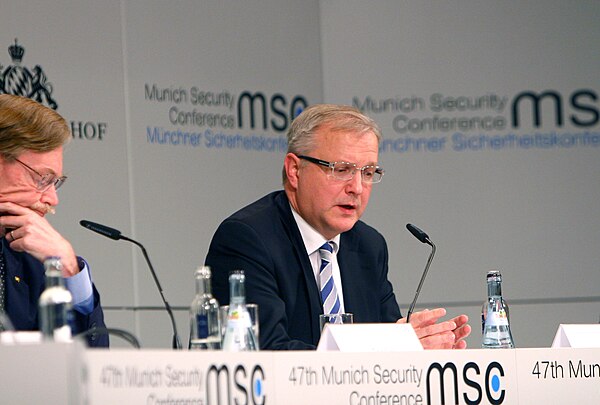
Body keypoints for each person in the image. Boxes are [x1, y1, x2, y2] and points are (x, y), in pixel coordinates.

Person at [206, 103, 471, 350]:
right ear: (294, 171)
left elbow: (389, 345)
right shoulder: (247, 240)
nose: (356, 188)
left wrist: (414, 346)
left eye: (367, 173)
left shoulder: (368, 246)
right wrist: (389, 348)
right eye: (341, 169)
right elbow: (268, 352)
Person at [0, 94, 108, 347]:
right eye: (42, 179)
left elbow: (90, 361)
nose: (52, 199)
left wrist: (69, 268)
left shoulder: (31, 258)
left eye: (55, 182)